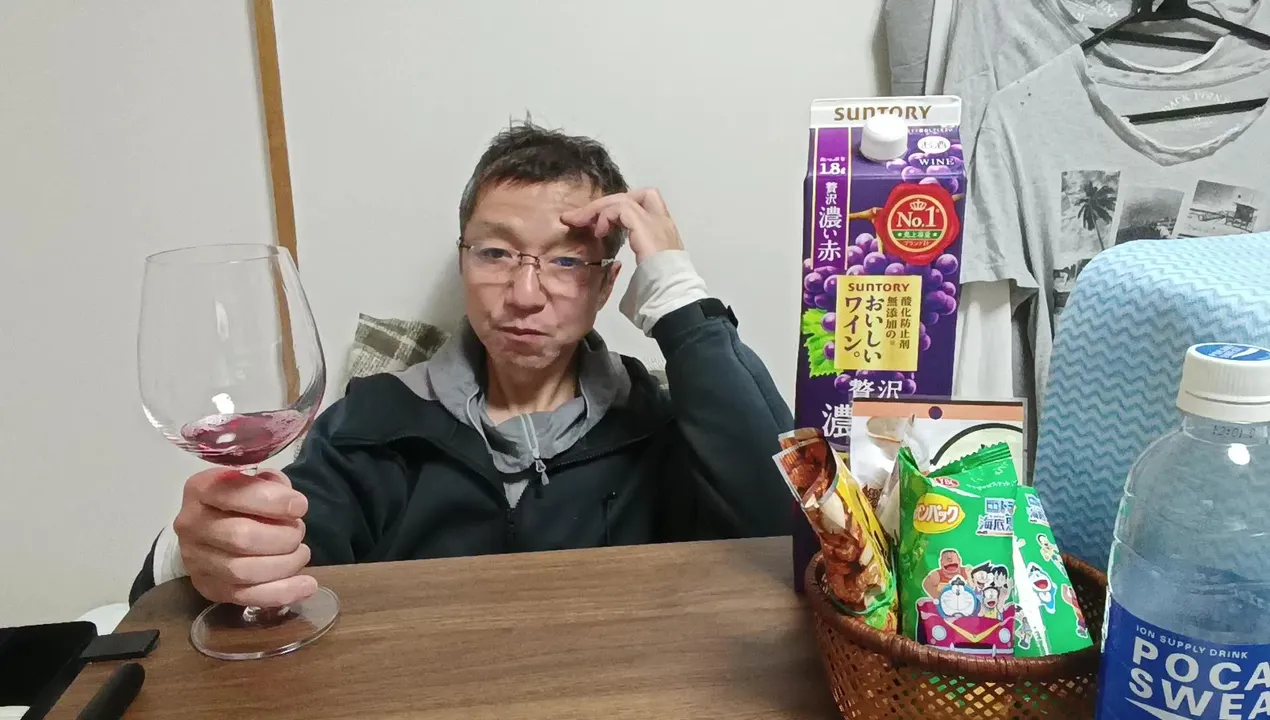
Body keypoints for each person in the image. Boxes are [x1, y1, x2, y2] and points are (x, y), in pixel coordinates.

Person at [129, 121, 793, 607]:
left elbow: (789, 533)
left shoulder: (663, 423)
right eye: (496, 253)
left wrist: (677, 293)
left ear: (606, 284)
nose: (525, 294)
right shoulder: (374, 421)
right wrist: (209, 552)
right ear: (463, 259)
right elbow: (281, 559)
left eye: (567, 260)